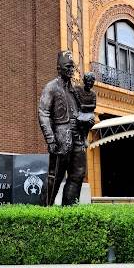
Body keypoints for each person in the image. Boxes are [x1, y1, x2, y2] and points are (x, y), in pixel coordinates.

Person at [38, 51, 93, 206]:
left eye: (72, 67)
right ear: (59, 68)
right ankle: (43, 211)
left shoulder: (74, 90)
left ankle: (69, 211)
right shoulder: (51, 87)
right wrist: (50, 138)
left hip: (77, 138)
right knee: (54, 176)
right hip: (61, 138)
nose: (71, 70)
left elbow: (81, 110)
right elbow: (43, 113)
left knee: (78, 174)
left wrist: (86, 120)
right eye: (68, 66)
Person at [75, 72, 97, 148]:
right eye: (88, 81)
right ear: (84, 81)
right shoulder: (78, 89)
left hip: (88, 113)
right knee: (80, 121)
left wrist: (84, 106)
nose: (90, 84)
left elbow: (94, 106)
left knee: (90, 121)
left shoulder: (93, 93)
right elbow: (76, 101)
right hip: (79, 112)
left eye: (92, 82)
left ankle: (84, 137)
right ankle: (82, 138)